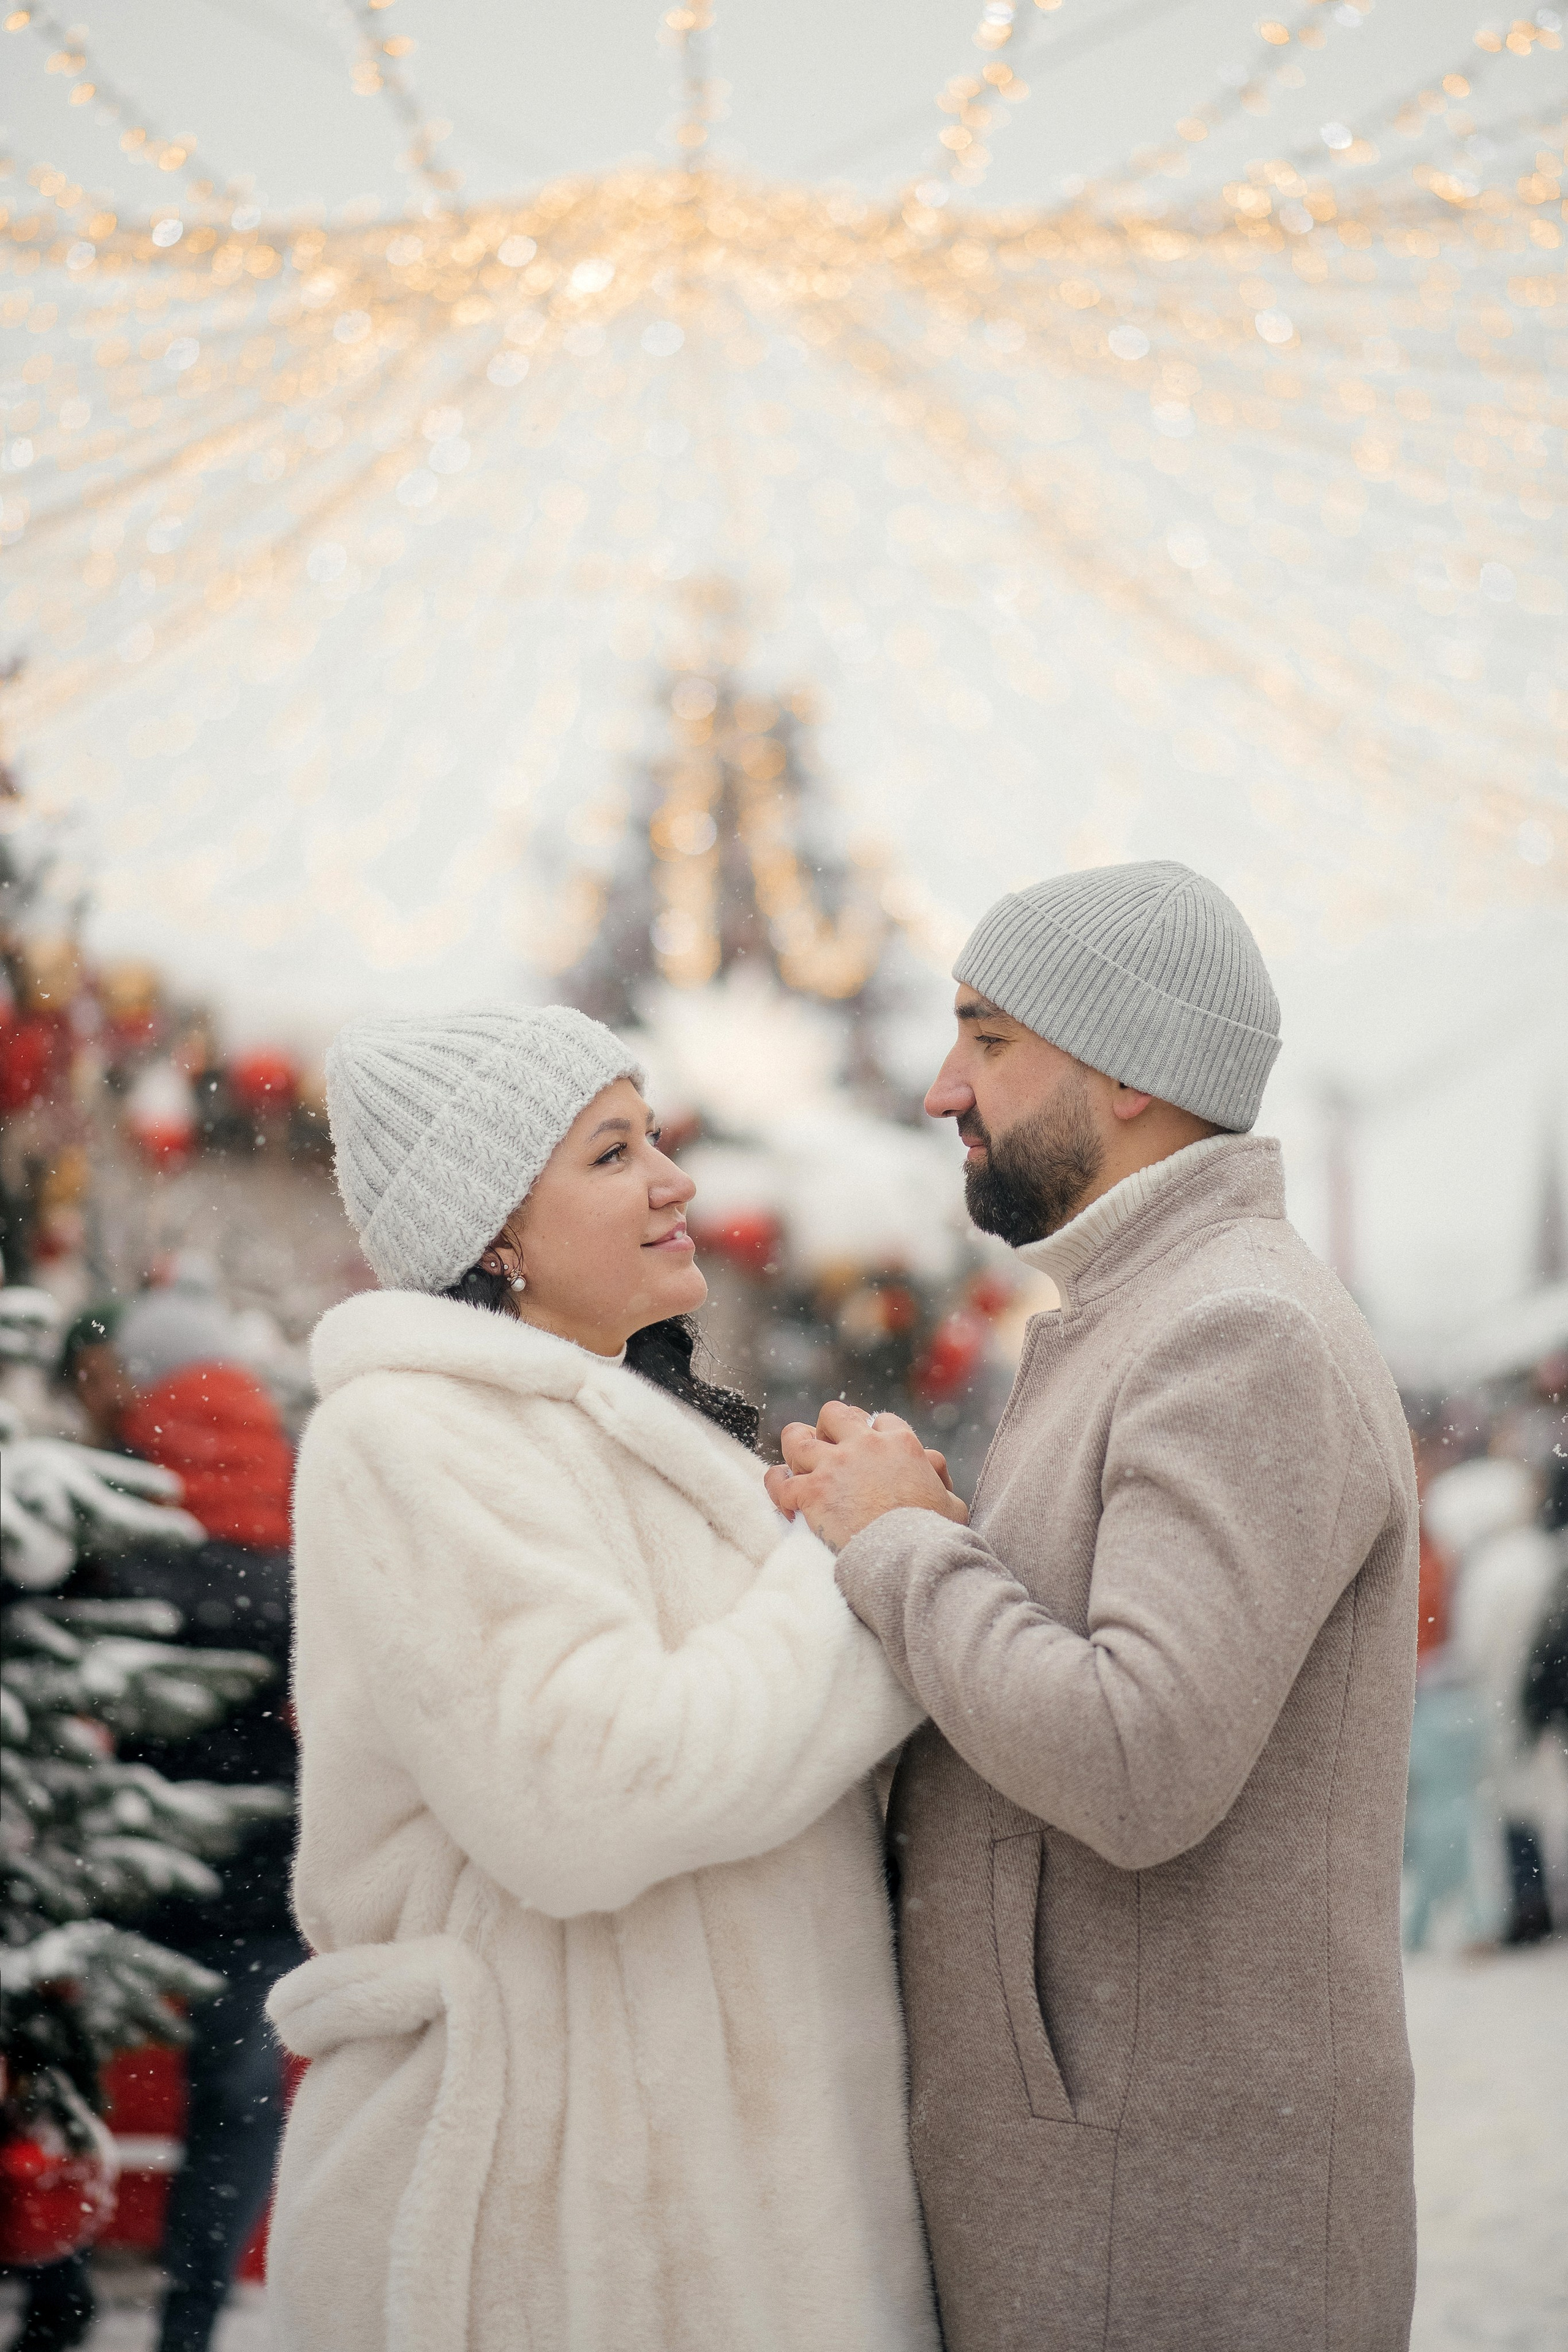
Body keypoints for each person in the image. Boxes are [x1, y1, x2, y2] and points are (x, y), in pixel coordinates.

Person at [767, 862, 1420, 2352]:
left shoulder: (1231, 1332)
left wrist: (900, 1548)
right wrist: (923, 1534)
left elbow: (1138, 1762)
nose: (944, 1088)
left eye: (986, 1039)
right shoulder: (1151, 1313)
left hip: (1166, 2225)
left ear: (1122, 1071)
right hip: (1117, 2188)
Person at [264, 1006, 939, 2352]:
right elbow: (589, 1796)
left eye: (657, 1140)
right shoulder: (411, 1435)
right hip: (562, 2225)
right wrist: (851, 1563)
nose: (674, 1181)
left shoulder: (620, 1430)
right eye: (613, 1152)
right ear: (494, 1232)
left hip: (723, 2197)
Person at [34, 1299, 305, 2352]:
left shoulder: (100, 1509)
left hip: (116, 1849)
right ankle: (189, 2329)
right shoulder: (301, 1500)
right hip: (265, 1847)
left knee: (63, 2069)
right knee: (237, 2096)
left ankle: (58, 2298)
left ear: (138, 1382)